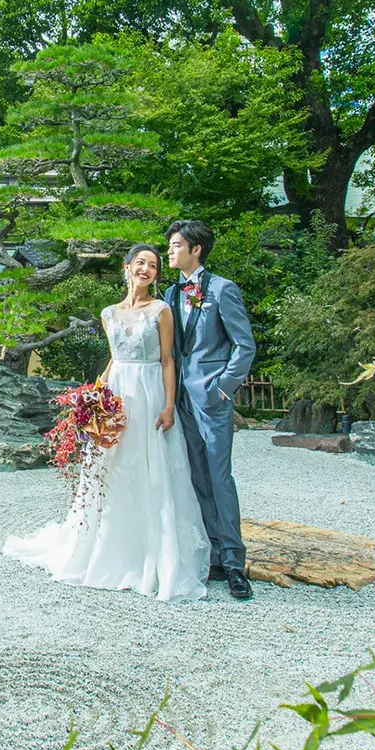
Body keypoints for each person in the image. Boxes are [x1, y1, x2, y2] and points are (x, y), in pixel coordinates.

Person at [3, 243, 210, 602]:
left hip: (148, 394)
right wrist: (93, 398)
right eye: (140, 263)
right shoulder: (109, 313)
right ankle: (102, 545)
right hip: (116, 394)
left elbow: (167, 361)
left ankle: (151, 552)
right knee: (109, 468)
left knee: (150, 468)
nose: (146, 269)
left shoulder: (161, 311)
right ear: (127, 268)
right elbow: (114, 360)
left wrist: (169, 404)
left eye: (154, 266)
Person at [164, 219, 256, 601]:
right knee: (197, 478)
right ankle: (214, 556)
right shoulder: (170, 293)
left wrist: (223, 387)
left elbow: (244, 346)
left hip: (211, 397)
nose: (169, 251)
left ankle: (235, 563)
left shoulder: (222, 289)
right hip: (181, 400)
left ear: (195, 249)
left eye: (175, 245)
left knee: (220, 478)